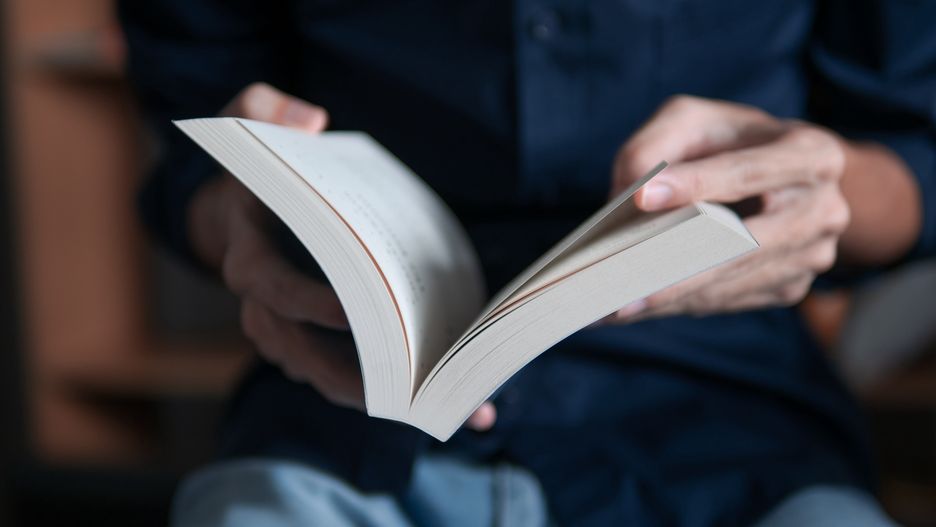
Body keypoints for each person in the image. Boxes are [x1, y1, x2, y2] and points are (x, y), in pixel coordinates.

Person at [119, 1, 935, 525]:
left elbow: (916, 149)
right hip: (347, 418)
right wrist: (238, 214)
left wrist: (823, 186)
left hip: (733, 424)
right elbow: (189, 145)